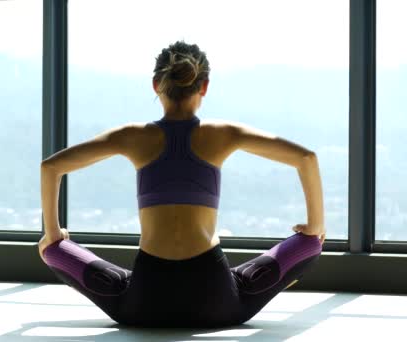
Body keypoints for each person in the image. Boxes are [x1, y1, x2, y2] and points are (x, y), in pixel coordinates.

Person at [37, 41, 326, 328]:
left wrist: (53, 234)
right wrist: (315, 228)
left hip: (144, 304)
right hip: (217, 302)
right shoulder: (224, 134)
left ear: (155, 85)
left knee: (52, 249)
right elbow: (306, 158)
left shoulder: (131, 136)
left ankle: (57, 245)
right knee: (309, 245)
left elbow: (51, 167)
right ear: (204, 87)